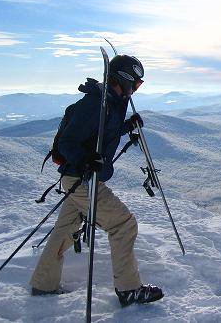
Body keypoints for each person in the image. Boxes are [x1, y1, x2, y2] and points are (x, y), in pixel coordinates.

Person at [30, 54, 163, 307]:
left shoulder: (109, 103)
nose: (136, 90)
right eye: (136, 84)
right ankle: (129, 289)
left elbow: (103, 132)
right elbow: (69, 142)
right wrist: (86, 160)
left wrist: (127, 126)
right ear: (124, 80)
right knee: (124, 224)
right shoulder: (95, 104)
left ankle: (43, 284)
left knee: (64, 231)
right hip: (82, 180)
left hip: (77, 179)